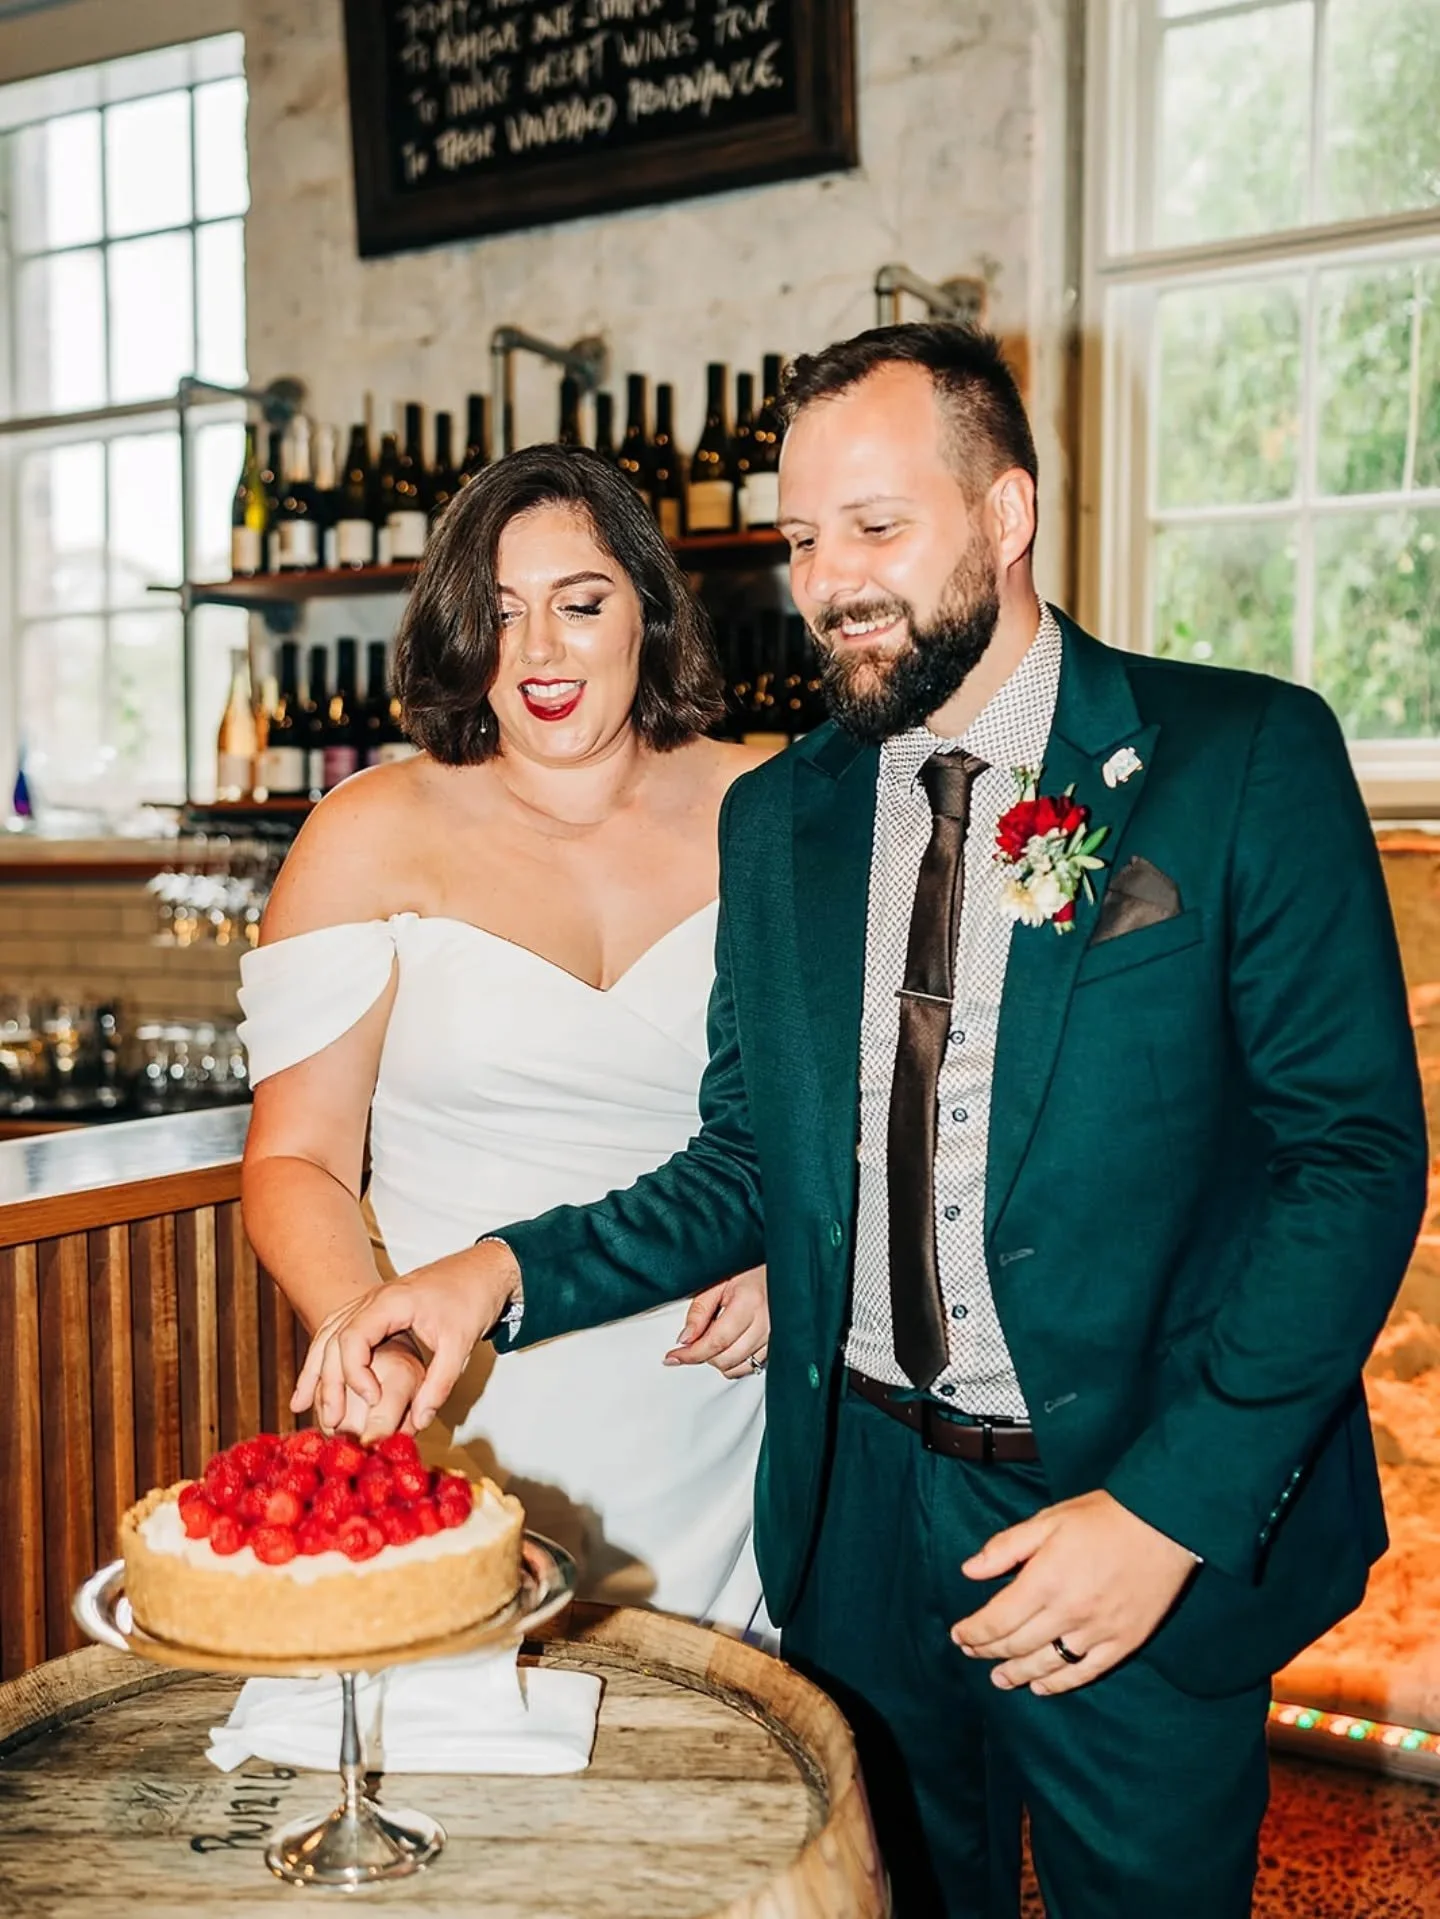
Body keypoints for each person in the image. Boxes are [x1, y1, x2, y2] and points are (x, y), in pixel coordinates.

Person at [293, 326, 1427, 1916]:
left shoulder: (1241, 756)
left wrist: (1170, 1508)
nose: (832, 582)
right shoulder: (787, 816)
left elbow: (1352, 1162)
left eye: (878, 528)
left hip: (1122, 1497)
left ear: (1005, 512)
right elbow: (747, 1160)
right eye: (805, 538)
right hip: (857, 1521)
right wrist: (486, 1274)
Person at [239, 444, 771, 1631]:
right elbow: (299, 1157)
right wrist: (357, 1325)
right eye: (498, 612)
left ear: (649, 608)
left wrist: (802, 1247)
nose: (537, 653)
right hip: (465, 1395)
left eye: (580, 604)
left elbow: (860, 1109)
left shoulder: (771, 811)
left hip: (723, 1409)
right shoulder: (366, 832)